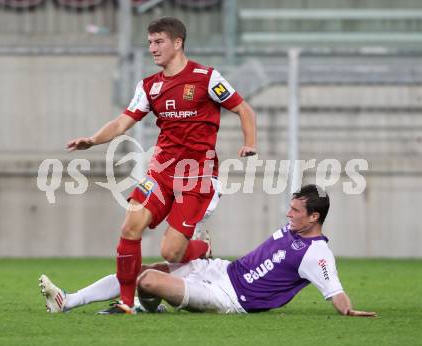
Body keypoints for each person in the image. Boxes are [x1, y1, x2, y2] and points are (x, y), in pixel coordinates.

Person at [66, 17, 257, 313]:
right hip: (161, 172)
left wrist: (250, 143)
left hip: (196, 178)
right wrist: (93, 140)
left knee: (171, 252)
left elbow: (244, 109)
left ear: (177, 43)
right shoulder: (149, 86)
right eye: (150, 43)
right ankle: (126, 303)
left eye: (159, 42)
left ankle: (202, 248)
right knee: (131, 226)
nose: (152, 49)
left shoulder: (206, 78)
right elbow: (121, 122)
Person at [39, 185, 376, 317]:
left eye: (296, 211)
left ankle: (140, 305)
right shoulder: (293, 229)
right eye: (289, 208)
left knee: (148, 280)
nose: (288, 215)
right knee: (150, 268)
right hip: (224, 271)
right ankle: (68, 301)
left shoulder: (318, 254)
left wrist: (348, 311)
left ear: (314, 217)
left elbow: (335, 291)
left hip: (231, 299)